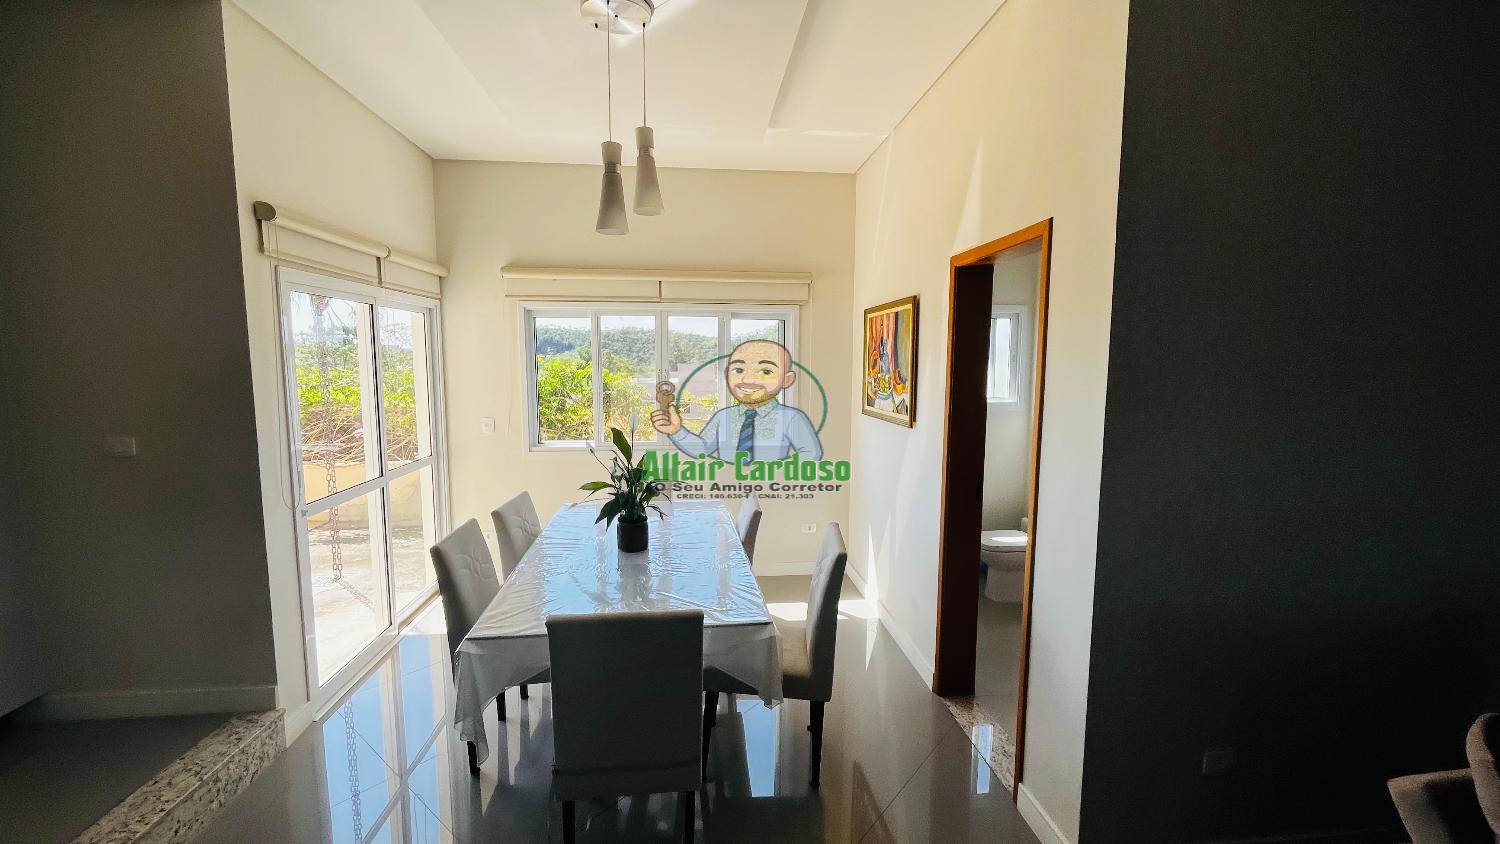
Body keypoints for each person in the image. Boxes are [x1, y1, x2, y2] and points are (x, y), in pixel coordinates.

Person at [652, 339, 822, 465]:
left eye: (765, 371)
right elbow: (703, 449)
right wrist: (676, 431)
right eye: (739, 370)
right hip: (728, 489)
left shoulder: (792, 418)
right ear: (727, 375)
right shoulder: (723, 417)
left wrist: (773, 476)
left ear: (786, 380)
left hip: (771, 491)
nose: (747, 379)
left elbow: (810, 454)